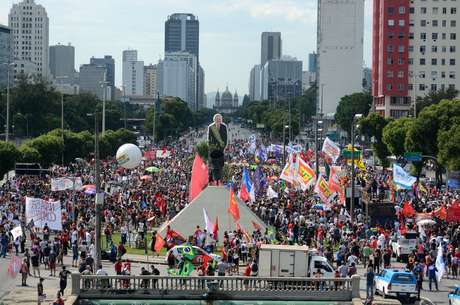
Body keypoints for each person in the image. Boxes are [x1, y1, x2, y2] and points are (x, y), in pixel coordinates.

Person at [207, 113, 228, 185]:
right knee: (213, 165)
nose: (218, 120)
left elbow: (225, 139)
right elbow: (209, 139)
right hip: (213, 150)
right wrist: (211, 148)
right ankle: (213, 179)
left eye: (219, 119)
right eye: (217, 119)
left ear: (221, 120)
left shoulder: (224, 126)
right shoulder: (211, 127)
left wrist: (223, 147)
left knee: (220, 165)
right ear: (214, 120)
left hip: (221, 149)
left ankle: (220, 179)